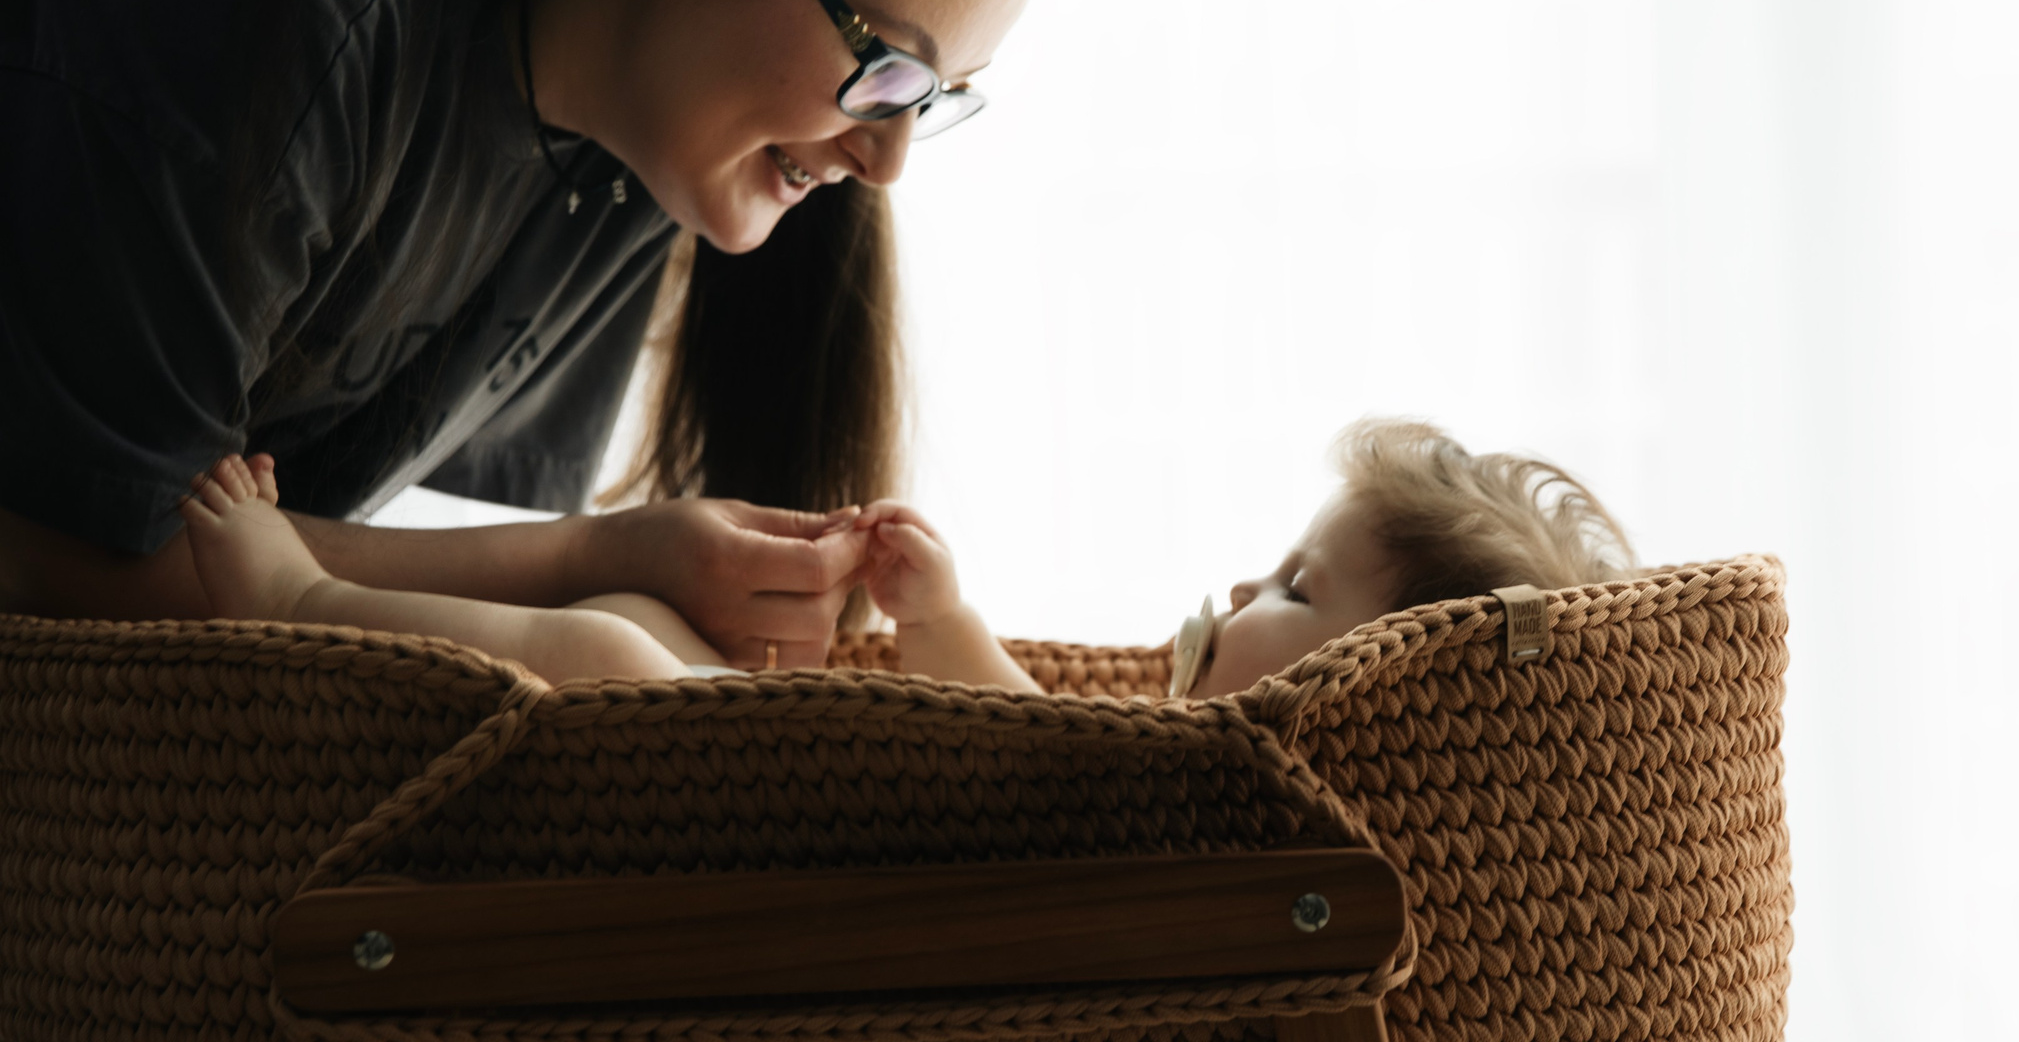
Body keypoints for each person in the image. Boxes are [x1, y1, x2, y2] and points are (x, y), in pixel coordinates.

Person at [0, 0, 1084, 1042]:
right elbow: (88, 558)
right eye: (881, 64)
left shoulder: (620, 162)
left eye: (933, 101)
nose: (885, 159)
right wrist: (581, 572)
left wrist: (612, 556)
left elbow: (218, 523)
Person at [172, 421, 1638, 694]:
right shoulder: (1193, 750)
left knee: (613, 653)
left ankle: (306, 601)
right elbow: (1014, 730)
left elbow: (1015, 748)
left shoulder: (1232, 793)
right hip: (782, 780)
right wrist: (931, 615)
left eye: (1302, 594)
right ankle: (320, 580)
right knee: (630, 621)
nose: (1249, 591)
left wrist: (948, 626)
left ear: (1372, 691)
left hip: (790, 848)